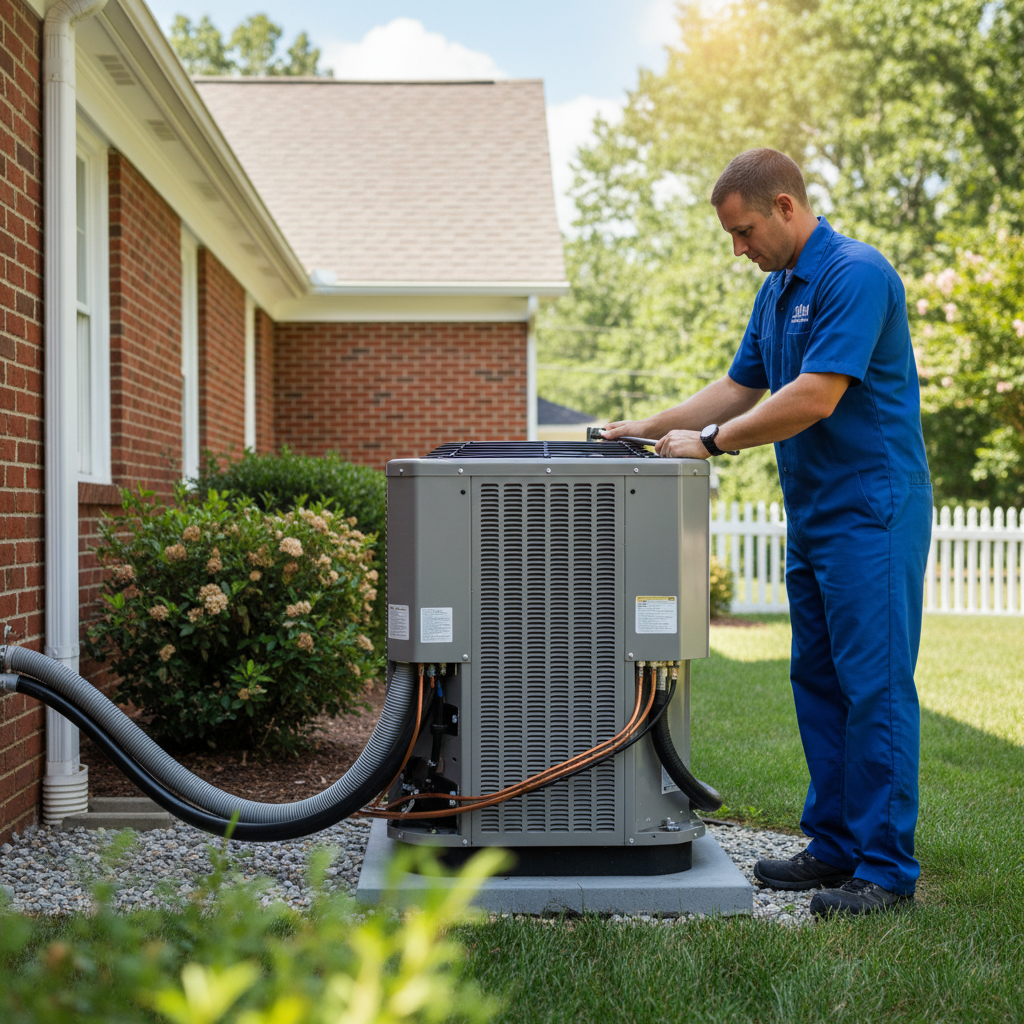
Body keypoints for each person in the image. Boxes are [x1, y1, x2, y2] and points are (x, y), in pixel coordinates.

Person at [602, 148, 932, 917]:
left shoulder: (856, 274)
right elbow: (739, 383)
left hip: (872, 514)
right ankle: (835, 846)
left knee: (874, 688)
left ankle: (885, 872)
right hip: (813, 515)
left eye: (744, 231)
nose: (739, 249)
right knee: (818, 683)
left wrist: (714, 442)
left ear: (785, 206)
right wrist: (649, 426)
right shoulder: (779, 291)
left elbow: (814, 396)